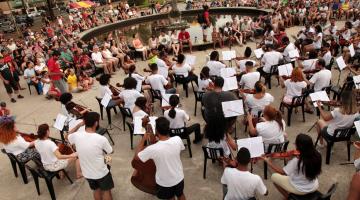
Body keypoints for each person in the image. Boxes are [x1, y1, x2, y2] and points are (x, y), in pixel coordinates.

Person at [135, 117, 186, 200]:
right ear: (168, 128)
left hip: (165, 182)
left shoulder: (153, 149)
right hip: (179, 177)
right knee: (180, 195)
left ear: (157, 131)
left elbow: (137, 157)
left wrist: (144, 138)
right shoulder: (177, 139)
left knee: (170, 197)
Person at [68, 112, 114, 200]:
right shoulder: (101, 139)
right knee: (106, 191)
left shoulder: (76, 135)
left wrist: (78, 126)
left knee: (96, 190)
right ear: (96, 123)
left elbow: (67, 135)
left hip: (87, 173)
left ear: (84, 122)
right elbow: (111, 151)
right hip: (101, 172)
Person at [263, 133, 322, 199]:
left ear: (300, 147)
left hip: (300, 189)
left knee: (274, 177)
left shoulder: (297, 161)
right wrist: (290, 159)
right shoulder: (317, 155)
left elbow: (282, 172)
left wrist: (268, 162)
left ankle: (288, 197)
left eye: (296, 144)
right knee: (291, 173)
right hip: (314, 185)